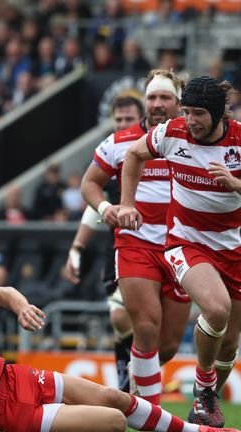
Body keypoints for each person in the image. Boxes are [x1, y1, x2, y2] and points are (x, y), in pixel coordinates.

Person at [0, 243, 238, 432]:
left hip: (16, 378)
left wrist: (20, 306)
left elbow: (1, 292)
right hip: (4, 416)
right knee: (112, 423)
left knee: (113, 397)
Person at [118, 76, 241, 427]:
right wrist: (127, 203)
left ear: (218, 115)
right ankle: (203, 390)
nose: (190, 121)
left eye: (198, 113)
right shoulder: (171, 133)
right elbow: (133, 154)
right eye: (187, 112)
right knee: (217, 309)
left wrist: (235, 184)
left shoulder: (239, 140)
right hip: (186, 243)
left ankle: (206, 401)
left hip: (234, 248)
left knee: (230, 344)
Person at [82, 70, 189, 406]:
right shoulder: (119, 141)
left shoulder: (193, 140)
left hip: (183, 248)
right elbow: (89, 183)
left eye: (164, 98)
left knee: (168, 343)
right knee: (145, 327)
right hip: (135, 244)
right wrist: (105, 208)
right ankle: (148, 414)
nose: (157, 104)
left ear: (179, 103)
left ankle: (136, 379)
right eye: (152, 97)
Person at [63, 94, 145, 393]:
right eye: (119, 119)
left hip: (166, 247)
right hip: (123, 250)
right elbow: (94, 203)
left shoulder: (159, 150)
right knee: (119, 315)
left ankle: (144, 367)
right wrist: (76, 250)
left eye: (128, 119)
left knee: (158, 329)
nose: (122, 124)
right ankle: (128, 375)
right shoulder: (113, 155)